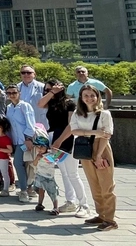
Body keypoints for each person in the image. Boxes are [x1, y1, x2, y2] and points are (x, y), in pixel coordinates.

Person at [71, 85, 117, 231]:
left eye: (92, 95)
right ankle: (101, 214)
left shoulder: (104, 114)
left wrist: (98, 156)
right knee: (94, 184)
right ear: (81, 98)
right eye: (86, 95)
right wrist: (94, 132)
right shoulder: (77, 114)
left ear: (97, 96)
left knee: (106, 184)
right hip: (85, 149)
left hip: (101, 149)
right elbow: (74, 130)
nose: (89, 98)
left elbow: (106, 135)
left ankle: (110, 219)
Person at [44, 79, 89, 218]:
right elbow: (39, 104)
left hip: (67, 139)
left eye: (50, 89)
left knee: (73, 173)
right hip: (54, 138)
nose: (48, 92)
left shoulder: (70, 103)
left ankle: (84, 205)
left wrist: (59, 141)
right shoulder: (51, 103)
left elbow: (71, 125)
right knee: (64, 172)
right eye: (46, 90)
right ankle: (71, 202)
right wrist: (51, 93)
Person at [6, 84, 36, 203]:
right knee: (25, 164)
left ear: (19, 93)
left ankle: (24, 190)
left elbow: (30, 124)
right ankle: (29, 187)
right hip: (15, 140)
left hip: (24, 140)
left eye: (14, 93)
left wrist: (28, 139)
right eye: (9, 93)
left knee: (18, 163)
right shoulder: (8, 107)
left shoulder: (25, 106)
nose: (12, 95)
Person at [32, 139, 60, 215]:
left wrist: (54, 151)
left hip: (48, 177)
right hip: (39, 175)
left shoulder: (50, 155)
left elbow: (56, 158)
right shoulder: (37, 155)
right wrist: (37, 158)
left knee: (52, 192)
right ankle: (40, 204)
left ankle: (55, 207)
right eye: (38, 147)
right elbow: (34, 164)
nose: (40, 149)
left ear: (47, 148)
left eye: (42, 147)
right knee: (41, 191)